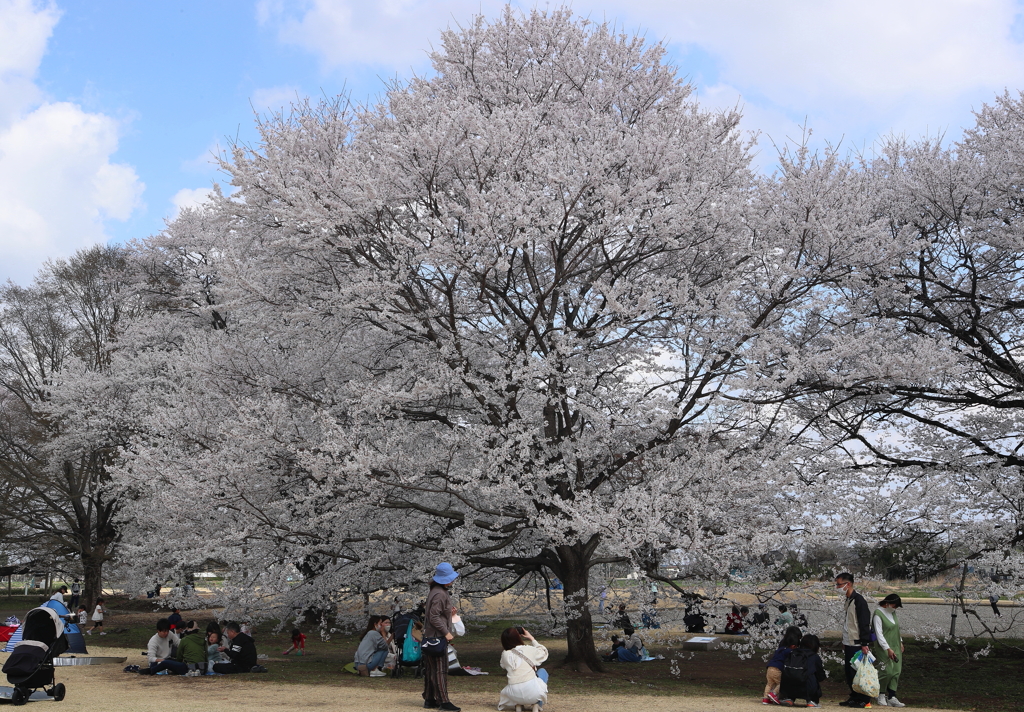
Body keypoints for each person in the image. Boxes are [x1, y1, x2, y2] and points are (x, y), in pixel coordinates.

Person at [423, 562, 460, 712]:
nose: (452, 580)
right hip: (437, 637)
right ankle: (444, 701)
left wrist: (449, 614)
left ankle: (430, 698)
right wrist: (446, 632)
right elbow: (434, 616)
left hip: (430, 636)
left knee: (431, 669)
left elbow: (435, 614)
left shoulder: (435, 591)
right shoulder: (440, 593)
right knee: (440, 669)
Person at [835, 572, 872, 708]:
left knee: (859, 671)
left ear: (848, 584)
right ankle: (854, 696)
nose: (837, 587)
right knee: (849, 671)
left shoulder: (859, 601)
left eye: (839, 584)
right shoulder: (849, 600)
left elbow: (863, 622)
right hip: (849, 641)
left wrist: (864, 643)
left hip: (857, 643)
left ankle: (864, 698)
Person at [498, 626, 549, 712]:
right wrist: (531, 638)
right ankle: (537, 704)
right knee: (542, 672)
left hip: (513, 694)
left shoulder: (505, 654)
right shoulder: (528, 649)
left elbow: (503, 665)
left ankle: (519, 704)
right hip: (533, 692)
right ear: (518, 637)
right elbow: (543, 653)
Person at [872, 594, 906, 707]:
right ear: (887, 603)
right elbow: (879, 633)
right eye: (894, 605)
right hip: (884, 646)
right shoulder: (878, 613)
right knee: (887, 671)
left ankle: (892, 696)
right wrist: (888, 648)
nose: (895, 608)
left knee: (896, 670)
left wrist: (900, 641)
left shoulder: (893, 612)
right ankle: (880, 694)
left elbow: (896, 628)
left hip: (895, 643)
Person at [778, 633, 826, 708]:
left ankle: (789, 699)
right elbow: (820, 674)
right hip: (807, 687)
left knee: (793, 676)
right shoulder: (814, 656)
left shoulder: (792, 653)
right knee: (812, 678)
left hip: (788, 686)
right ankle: (811, 701)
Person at [762, 625, 802, 705]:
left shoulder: (780, 649)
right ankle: (774, 694)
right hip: (777, 669)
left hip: (770, 667)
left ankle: (765, 698)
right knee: (782, 683)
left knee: (769, 684)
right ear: (793, 646)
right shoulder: (789, 651)